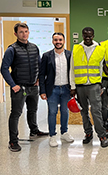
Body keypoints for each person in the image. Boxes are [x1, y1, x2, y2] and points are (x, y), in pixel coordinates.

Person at [1, 23, 48, 152]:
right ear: (16, 34)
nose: (24, 34)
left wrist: (38, 79)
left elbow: (39, 64)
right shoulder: (12, 49)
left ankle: (34, 131)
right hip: (19, 88)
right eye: (21, 32)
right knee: (16, 114)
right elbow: (4, 68)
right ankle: (13, 141)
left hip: (33, 87)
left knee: (33, 110)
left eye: (26, 31)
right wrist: (13, 85)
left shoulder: (34, 47)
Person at [70, 27, 108, 148]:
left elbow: (101, 68)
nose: (87, 37)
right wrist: (72, 86)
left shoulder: (100, 49)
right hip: (80, 86)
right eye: (85, 35)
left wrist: (100, 84)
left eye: (90, 35)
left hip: (94, 85)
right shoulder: (76, 49)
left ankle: (102, 135)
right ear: (82, 35)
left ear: (93, 35)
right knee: (83, 111)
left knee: (96, 111)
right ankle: (88, 133)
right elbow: (72, 69)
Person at [39, 32, 74, 147]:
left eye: (60, 40)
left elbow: (74, 72)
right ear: (52, 41)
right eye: (55, 40)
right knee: (52, 112)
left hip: (66, 89)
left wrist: (73, 88)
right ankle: (52, 135)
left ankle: (64, 133)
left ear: (64, 41)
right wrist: (42, 91)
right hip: (52, 90)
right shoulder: (46, 56)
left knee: (65, 111)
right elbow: (41, 75)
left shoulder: (70, 55)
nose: (58, 42)